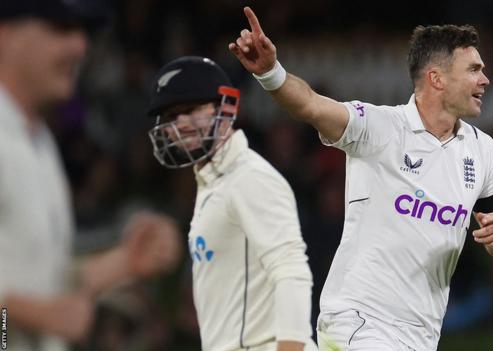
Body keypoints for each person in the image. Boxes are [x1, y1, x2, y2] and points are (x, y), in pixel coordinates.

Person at [228, 7, 493, 351]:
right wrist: (270, 73)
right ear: (437, 78)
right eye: (473, 70)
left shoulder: (482, 150)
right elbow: (310, 105)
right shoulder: (379, 128)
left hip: (422, 334)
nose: (485, 79)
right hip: (359, 320)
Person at [0, 1, 181, 351]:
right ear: (5, 35)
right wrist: (27, 314)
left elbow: (42, 276)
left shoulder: (37, 140)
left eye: (82, 32)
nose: (80, 46)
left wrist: (125, 261)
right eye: (60, 29)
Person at [146, 56, 317, 351]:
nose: (181, 123)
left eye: (191, 110)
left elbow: (291, 271)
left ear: (226, 107)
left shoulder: (249, 178)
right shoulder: (215, 181)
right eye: (172, 115)